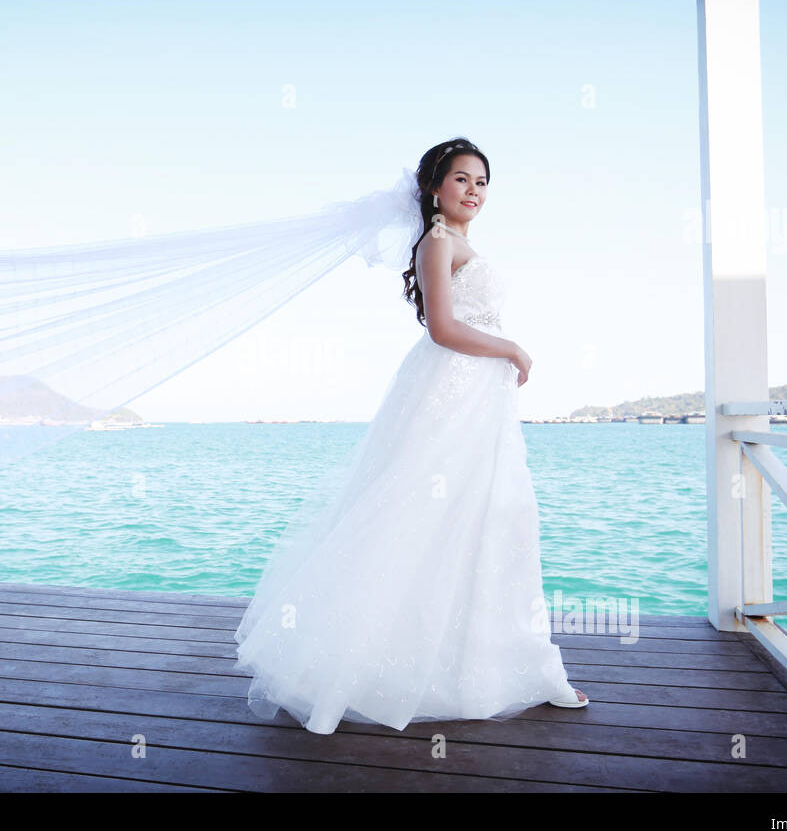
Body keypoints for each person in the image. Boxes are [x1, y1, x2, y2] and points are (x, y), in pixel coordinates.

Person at [232, 137, 588, 735]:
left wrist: (501, 357)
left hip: (478, 399)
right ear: (434, 189)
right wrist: (513, 349)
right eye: (461, 180)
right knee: (418, 519)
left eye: (481, 183)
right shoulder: (437, 243)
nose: (473, 191)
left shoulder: (462, 243)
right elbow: (445, 328)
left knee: (491, 520)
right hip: (452, 394)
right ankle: (356, 664)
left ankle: (499, 666)